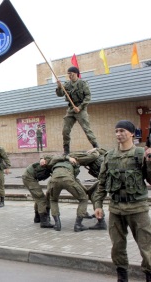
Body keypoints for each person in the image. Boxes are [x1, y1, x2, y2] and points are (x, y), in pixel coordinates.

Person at [93, 120, 151, 281]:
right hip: (116, 208)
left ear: (132, 133)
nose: (119, 134)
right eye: (117, 131)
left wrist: (150, 161)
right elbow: (102, 183)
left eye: (122, 131)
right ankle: (122, 276)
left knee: (147, 247)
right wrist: (98, 204)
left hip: (138, 208)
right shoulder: (110, 156)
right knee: (117, 247)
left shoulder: (141, 154)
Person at [56, 66, 99, 155]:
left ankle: (96, 147)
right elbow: (60, 94)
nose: (69, 76)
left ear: (75, 73)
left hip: (81, 109)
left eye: (70, 73)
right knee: (65, 130)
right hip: (71, 109)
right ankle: (66, 150)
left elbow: (88, 97)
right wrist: (59, 87)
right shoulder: (67, 84)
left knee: (86, 129)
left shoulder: (82, 83)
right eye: (68, 74)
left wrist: (79, 108)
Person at [47, 154, 91, 232]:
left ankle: (57, 224)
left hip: (53, 181)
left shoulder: (55, 162)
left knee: (53, 200)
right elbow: (75, 178)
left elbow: (50, 165)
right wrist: (85, 190)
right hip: (68, 180)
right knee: (83, 199)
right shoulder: (74, 162)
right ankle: (78, 225)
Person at [22, 155, 54, 228]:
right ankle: (44, 222)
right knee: (41, 198)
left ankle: (37, 218)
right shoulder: (54, 160)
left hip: (31, 177)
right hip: (29, 178)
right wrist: (42, 158)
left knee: (38, 197)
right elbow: (45, 156)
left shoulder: (55, 163)